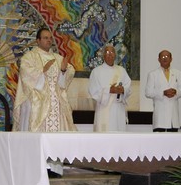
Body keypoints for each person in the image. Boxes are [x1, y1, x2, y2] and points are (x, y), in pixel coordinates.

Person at [13, 27, 76, 176]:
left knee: (55, 136)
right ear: (38, 40)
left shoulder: (58, 58)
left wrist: (63, 71)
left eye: (50, 38)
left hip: (55, 104)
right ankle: (37, 168)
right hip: (37, 104)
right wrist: (42, 71)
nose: (49, 40)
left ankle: (54, 168)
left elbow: (66, 77)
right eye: (45, 38)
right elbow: (26, 75)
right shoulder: (30, 57)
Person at [88, 45, 131, 132]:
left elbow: (129, 87)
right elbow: (93, 91)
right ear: (103, 55)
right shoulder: (96, 72)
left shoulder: (121, 70)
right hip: (104, 109)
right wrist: (109, 90)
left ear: (115, 55)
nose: (110, 54)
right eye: (107, 52)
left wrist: (123, 90)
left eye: (112, 52)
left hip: (119, 110)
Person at [144, 50, 181, 132]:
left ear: (171, 59)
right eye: (162, 57)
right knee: (159, 142)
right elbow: (148, 93)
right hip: (160, 116)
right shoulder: (153, 74)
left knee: (173, 142)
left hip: (173, 117)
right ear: (158, 59)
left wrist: (175, 92)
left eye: (167, 56)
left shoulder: (178, 73)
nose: (165, 58)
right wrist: (163, 93)